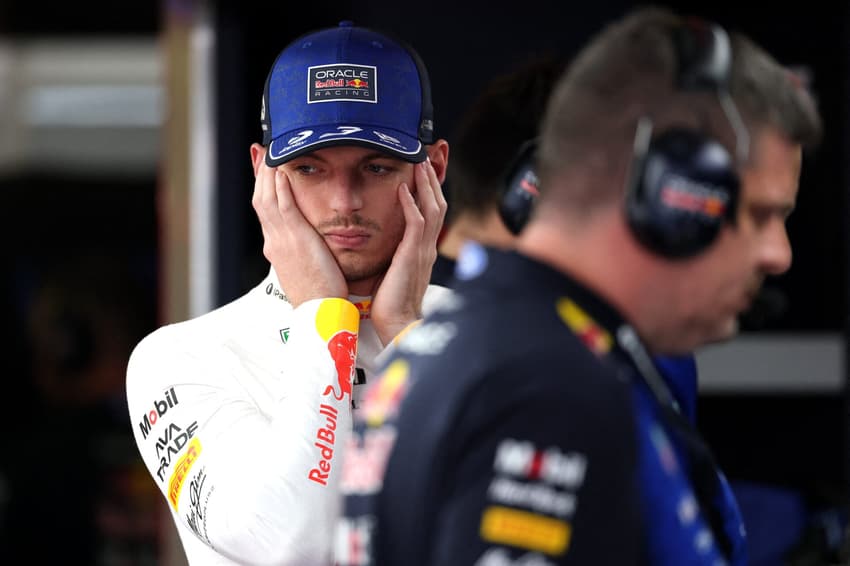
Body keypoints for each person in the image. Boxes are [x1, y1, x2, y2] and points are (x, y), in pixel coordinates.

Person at [369, 6, 822, 566]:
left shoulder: (527, 350)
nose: (779, 255)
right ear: (665, 193)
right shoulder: (544, 383)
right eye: (758, 215)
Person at [125, 21, 449, 565]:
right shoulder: (180, 357)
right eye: (309, 168)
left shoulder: (490, 334)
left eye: (376, 166)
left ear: (433, 169)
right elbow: (289, 542)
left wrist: (409, 340)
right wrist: (324, 316)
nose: (344, 201)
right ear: (263, 173)